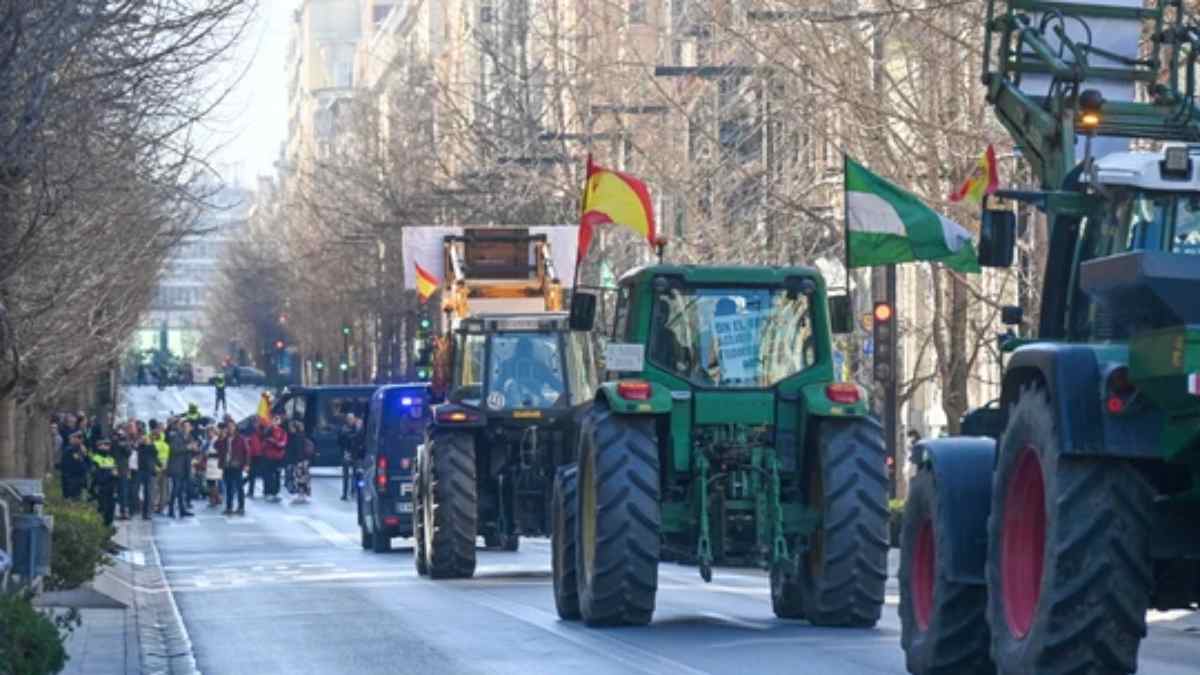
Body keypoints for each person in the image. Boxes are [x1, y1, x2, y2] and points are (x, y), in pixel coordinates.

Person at [166, 420, 194, 518]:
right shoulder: (176, 436)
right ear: (182, 428)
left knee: (181, 489)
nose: (187, 428)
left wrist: (194, 449)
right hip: (176, 466)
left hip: (185, 466)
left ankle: (182, 510)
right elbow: (174, 449)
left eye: (188, 426)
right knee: (176, 488)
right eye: (185, 426)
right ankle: (171, 509)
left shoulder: (190, 437)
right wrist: (187, 447)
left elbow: (190, 451)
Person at [219, 419, 247, 515]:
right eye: (229, 427)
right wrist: (221, 437)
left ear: (235, 427)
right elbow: (216, 447)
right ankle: (229, 507)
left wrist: (246, 464)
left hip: (237, 465)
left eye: (232, 426)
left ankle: (241, 507)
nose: (230, 428)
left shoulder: (240, 439)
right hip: (227, 466)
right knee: (229, 487)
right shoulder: (224, 439)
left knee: (239, 487)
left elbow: (246, 451)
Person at [89, 438, 120, 527]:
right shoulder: (95, 459)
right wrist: (111, 474)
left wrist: (115, 476)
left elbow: (116, 473)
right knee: (102, 511)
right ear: (99, 446)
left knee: (111, 511)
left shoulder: (111, 459)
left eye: (108, 445)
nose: (107, 447)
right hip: (101, 489)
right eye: (105, 445)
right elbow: (97, 477)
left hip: (111, 489)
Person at [286, 420, 312, 504]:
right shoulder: (301, 435)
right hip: (303, 461)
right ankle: (302, 495)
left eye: (291, 427)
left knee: (300, 479)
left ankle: (301, 495)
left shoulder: (296, 437)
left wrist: (295, 461)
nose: (290, 429)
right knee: (303, 478)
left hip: (300, 461)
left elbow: (297, 451)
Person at [262, 417, 288, 501]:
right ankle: (267, 492)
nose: (276, 422)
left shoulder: (282, 431)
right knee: (268, 475)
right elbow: (265, 440)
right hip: (268, 456)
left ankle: (275, 492)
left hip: (278, 457)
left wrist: (274, 442)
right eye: (274, 420)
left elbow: (282, 444)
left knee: (277, 475)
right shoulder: (268, 430)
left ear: (280, 422)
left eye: (277, 420)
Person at [113, 425, 134, 520]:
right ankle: (118, 510)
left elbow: (129, 452)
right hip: (115, 468)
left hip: (123, 469)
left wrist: (124, 444)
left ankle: (123, 511)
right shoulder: (114, 441)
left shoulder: (125, 442)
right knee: (117, 490)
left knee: (124, 490)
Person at [60, 431, 89, 499]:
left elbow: (87, 462)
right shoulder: (69, 450)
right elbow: (71, 463)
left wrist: (85, 454)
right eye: (77, 438)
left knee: (79, 496)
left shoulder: (83, 449)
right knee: (72, 496)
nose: (80, 440)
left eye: (80, 438)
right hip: (71, 477)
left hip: (80, 477)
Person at [338, 413, 357, 500]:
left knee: (355, 474)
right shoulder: (343, 429)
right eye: (349, 419)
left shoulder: (356, 428)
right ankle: (345, 493)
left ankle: (353, 491)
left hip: (354, 453)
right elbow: (340, 441)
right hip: (346, 453)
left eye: (352, 419)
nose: (350, 420)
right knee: (346, 475)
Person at [203, 426, 222, 507]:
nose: (209, 433)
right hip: (209, 464)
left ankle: (214, 499)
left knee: (212, 482)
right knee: (210, 482)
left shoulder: (217, 440)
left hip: (215, 464)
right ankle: (216, 499)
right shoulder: (208, 441)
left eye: (211, 432)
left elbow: (220, 453)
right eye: (208, 432)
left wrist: (209, 454)